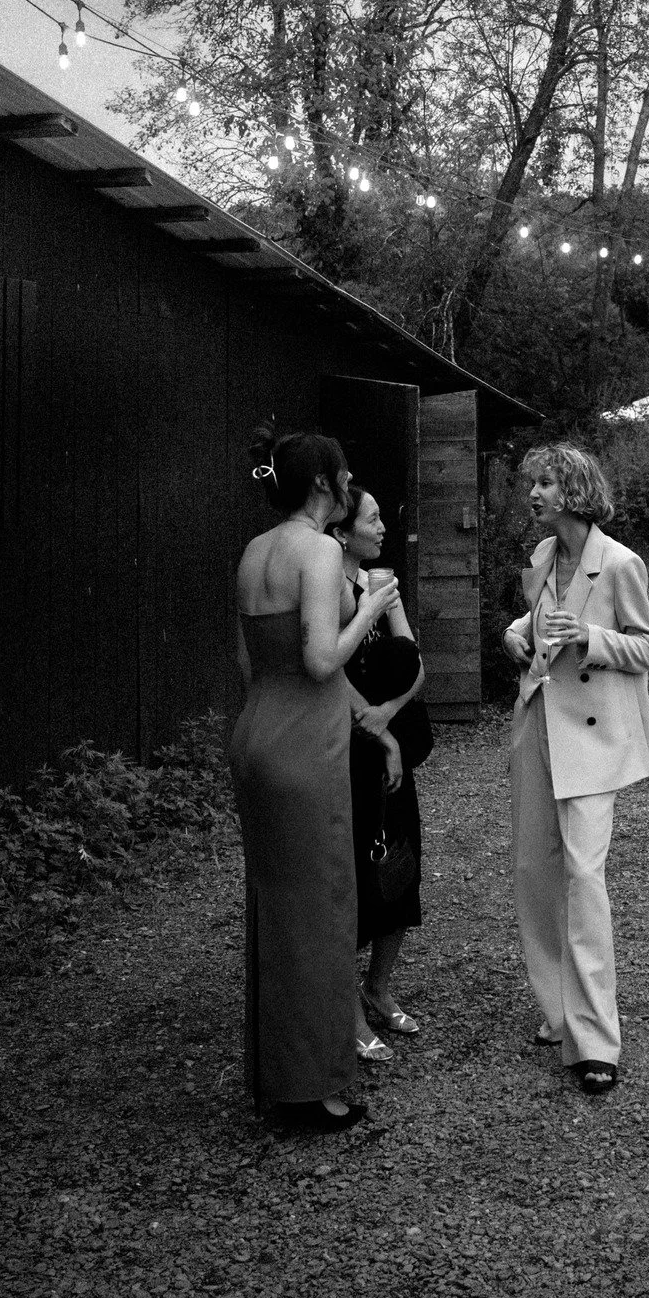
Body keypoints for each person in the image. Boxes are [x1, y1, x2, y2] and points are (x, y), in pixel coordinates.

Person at [230, 425, 400, 1132]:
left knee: (277, 911)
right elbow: (323, 660)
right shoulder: (320, 550)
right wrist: (371, 607)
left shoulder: (254, 551)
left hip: (256, 733)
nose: (350, 481)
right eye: (345, 473)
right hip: (307, 744)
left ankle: (279, 1077)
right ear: (325, 483)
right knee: (325, 909)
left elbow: (248, 663)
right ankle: (318, 1089)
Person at [504, 444, 649, 1094]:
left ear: (573, 491)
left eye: (544, 482)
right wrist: (518, 632)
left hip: (591, 742)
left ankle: (596, 1040)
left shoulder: (619, 563)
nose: (532, 493)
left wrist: (591, 640)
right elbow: (539, 621)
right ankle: (559, 1011)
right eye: (531, 483)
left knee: (583, 875)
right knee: (534, 871)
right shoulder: (544, 559)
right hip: (538, 723)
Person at [333, 486, 428, 1059]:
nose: (382, 527)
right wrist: (376, 729)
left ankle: (378, 988)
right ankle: (343, 1005)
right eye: (372, 519)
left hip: (386, 737)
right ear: (343, 532)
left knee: (401, 864)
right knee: (352, 875)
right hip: (343, 745)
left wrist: (389, 716)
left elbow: (415, 665)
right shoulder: (327, 587)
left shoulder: (382, 582)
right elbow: (322, 667)